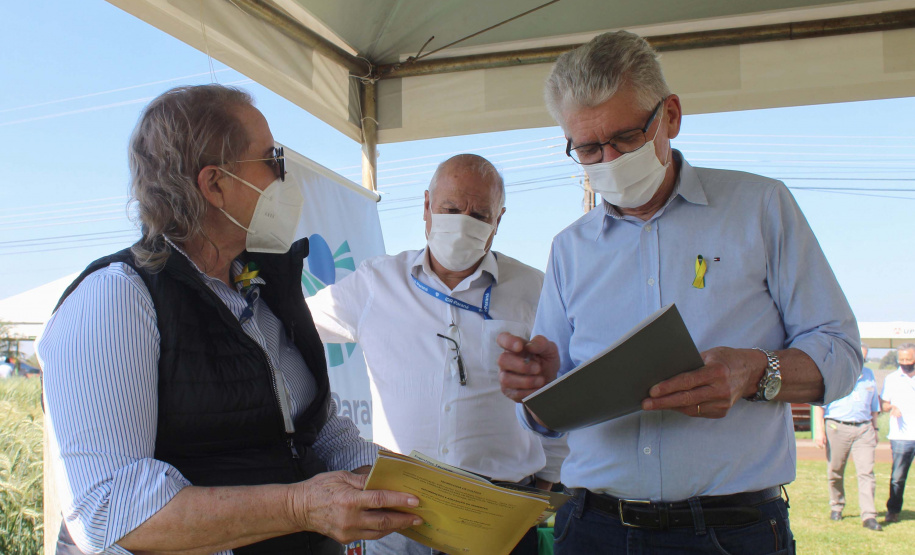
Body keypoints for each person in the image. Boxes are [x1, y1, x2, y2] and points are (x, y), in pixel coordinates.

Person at [496, 31, 862, 554]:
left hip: (732, 531)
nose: (608, 160)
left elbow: (842, 352)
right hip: (594, 529)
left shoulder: (759, 208)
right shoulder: (569, 249)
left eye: (624, 138)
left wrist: (754, 372)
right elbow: (544, 416)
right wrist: (536, 388)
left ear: (670, 116)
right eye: (588, 148)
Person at [37, 85, 421, 555]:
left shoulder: (263, 285)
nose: (286, 173)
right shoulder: (118, 296)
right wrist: (300, 506)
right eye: (271, 159)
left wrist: (415, 488)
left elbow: (317, 429)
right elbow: (110, 506)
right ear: (214, 184)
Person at [305, 154, 567, 555]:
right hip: (398, 517)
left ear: (498, 222)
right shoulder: (377, 282)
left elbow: (561, 392)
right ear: (426, 207)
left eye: (480, 214)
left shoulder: (535, 290)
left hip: (499, 519)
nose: (464, 222)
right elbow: (296, 328)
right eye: (450, 209)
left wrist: (546, 482)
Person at [813, 344, 882, 530]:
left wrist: (875, 429)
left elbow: (874, 405)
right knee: (835, 470)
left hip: (864, 428)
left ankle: (869, 516)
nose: (861, 361)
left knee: (866, 472)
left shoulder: (869, 375)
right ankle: (836, 505)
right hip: (837, 426)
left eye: (864, 358)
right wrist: (819, 431)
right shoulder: (834, 373)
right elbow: (819, 405)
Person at [881, 343, 915, 524]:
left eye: (908, 360)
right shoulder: (892, 379)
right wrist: (891, 407)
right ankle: (893, 510)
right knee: (898, 477)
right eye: (901, 360)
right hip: (901, 436)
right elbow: (883, 404)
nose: (905, 363)